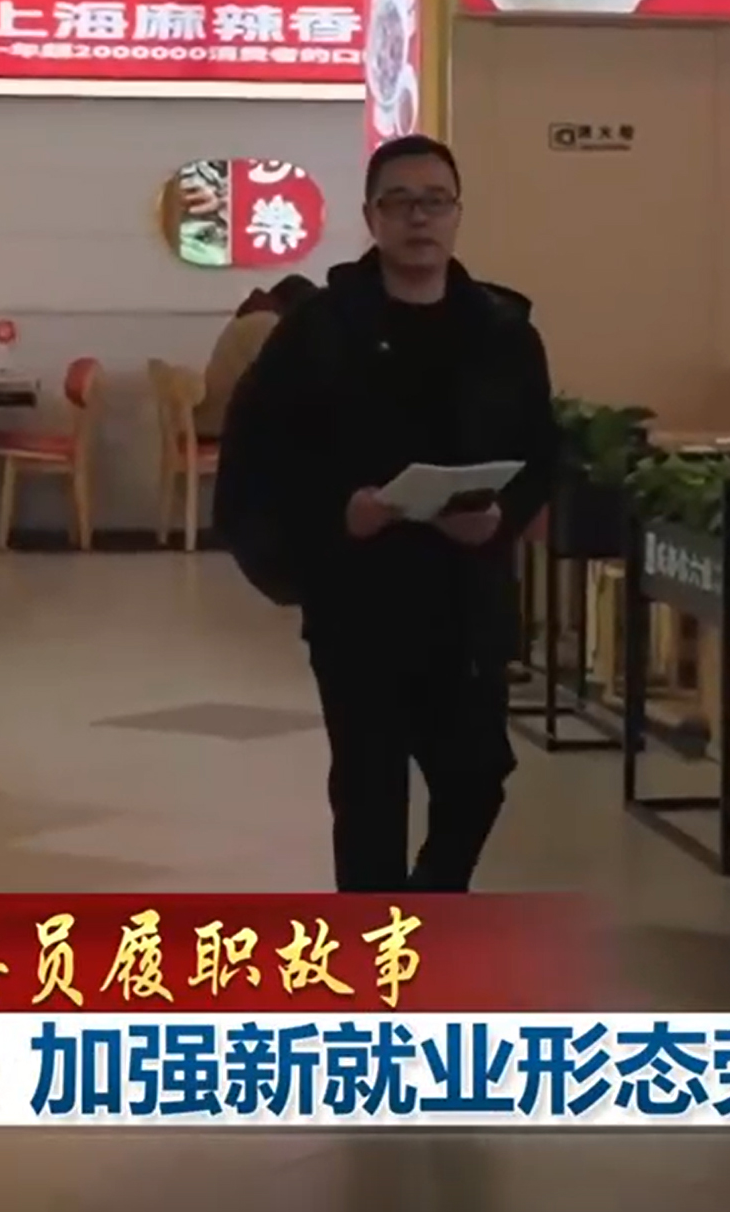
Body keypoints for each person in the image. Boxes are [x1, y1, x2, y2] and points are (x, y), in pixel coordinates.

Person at [214, 136, 557, 893]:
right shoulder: (317, 332)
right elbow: (257, 458)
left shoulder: (503, 331)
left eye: (435, 201)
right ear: (371, 218)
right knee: (370, 795)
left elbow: (541, 451)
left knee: (477, 777)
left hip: (465, 596)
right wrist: (338, 514)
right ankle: (379, 949)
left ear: (458, 213)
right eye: (399, 203)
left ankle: (427, 904)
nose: (418, 218)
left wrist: (501, 515)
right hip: (359, 598)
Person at [196, 274, 315, 441]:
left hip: (216, 422)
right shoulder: (266, 323)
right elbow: (286, 381)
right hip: (225, 429)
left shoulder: (251, 319)